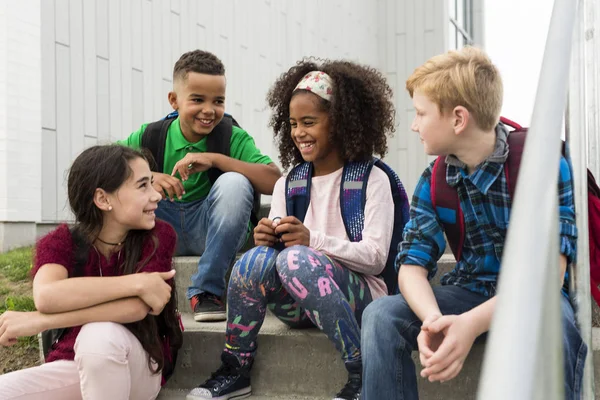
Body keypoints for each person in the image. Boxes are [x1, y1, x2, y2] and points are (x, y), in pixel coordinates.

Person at [360, 46, 586, 400]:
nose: (414, 124)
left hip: (535, 299)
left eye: (421, 113)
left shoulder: (540, 163)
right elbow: (410, 267)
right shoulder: (434, 179)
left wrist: (470, 325)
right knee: (380, 315)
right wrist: (434, 319)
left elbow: (548, 279)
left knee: (557, 327)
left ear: (458, 119)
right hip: (469, 292)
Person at [183, 59, 397, 400]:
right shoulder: (290, 182)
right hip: (300, 298)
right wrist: (268, 240)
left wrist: (312, 241)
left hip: (361, 298)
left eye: (309, 122)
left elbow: (375, 258)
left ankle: (362, 372)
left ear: (340, 123)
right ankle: (236, 369)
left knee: (297, 259)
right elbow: (283, 257)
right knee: (254, 260)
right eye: (293, 123)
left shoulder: (373, 178)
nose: (298, 132)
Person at [0, 145, 182, 400]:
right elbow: (47, 296)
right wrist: (137, 283)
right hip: (73, 363)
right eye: (143, 186)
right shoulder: (60, 241)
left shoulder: (158, 236)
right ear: (103, 199)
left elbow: (136, 309)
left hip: (140, 364)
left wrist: (42, 321)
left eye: (152, 184)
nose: (156, 196)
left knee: (99, 337)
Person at [118, 50, 281, 322]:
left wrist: (216, 159)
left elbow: (275, 180)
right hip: (161, 227)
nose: (209, 110)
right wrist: (149, 177)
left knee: (235, 183)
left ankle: (206, 290)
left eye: (218, 101)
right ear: (174, 100)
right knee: (126, 184)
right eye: (197, 100)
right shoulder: (149, 136)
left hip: (213, 229)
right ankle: (130, 285)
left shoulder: (232, 136)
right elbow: (99, 170)